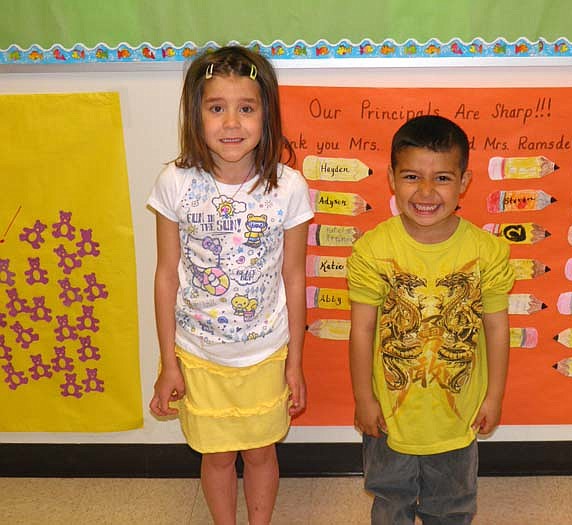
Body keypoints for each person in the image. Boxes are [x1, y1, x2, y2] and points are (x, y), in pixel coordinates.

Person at [147, 45, 313, 525]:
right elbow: (165, 276)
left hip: (266, 353)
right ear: (195, 115)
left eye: (246, 108)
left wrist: (296, 363)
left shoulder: (289, 187)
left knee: (261, 452)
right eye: (216, 108)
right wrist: (168, 363)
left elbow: (294, 277)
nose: (232, 123)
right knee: (217, 456)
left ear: (267, 115)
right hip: (199, 355)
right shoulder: (175, 182)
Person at [347, 115, 514, 525]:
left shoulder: (488, 251)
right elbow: (362, 330)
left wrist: (494, 395)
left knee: (452, 505)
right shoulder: (372, 249)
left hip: (457, 414)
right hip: (390, 414)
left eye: (441, 178)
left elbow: (497, 327)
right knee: (389, 500)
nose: (425, 192)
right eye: (411, 176)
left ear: (464, 181)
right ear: (390, 178)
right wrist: (363, 398)